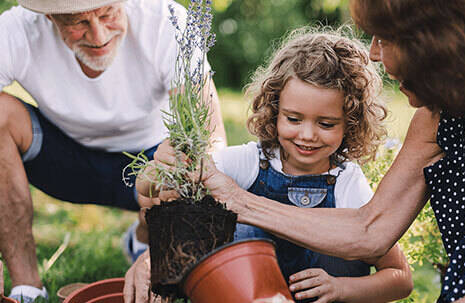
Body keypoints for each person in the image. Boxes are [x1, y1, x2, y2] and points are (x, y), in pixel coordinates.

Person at [145, 0, 465, 302]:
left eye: (385, 38)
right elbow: (371, 228)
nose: (374, 54)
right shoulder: (446, 106)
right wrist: (228, 202)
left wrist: (239, 201)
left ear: (438, 43)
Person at [125, 29, 413, 303]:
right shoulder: (250, 161)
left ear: (350, 124)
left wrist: (342, 288)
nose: (308, 135)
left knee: (342, 246)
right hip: (247, 294)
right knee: (235, 229)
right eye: (293, 119)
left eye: (326, 124)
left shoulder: (347, 182)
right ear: (274, 112)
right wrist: (162, 165)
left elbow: (400, 278)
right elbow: (147, 187)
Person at [0, 0, 226, 301]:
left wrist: (162, 249)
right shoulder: (16, 28)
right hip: (63, 160)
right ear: (48, 16)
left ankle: (143, 239)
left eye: (108, 14)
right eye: (78, 23)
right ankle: (27, 288)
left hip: (148, 162)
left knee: (187, 161)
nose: (98, 36)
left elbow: (210, 138)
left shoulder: (165, 20)